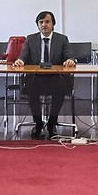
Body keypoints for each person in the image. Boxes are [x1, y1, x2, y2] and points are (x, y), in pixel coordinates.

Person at [19, 10, 76, 139]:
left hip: (55, 78)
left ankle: (52, 123)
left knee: (60, 89)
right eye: (41, 22)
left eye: (47, 22)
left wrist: (70, 60)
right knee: (31, 89)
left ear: (53, 24)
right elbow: (23, 56)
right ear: (38, 25)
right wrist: (20, 61)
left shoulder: (62, 39)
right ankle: (38, 123)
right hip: (36, 78)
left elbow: (69, 56)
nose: (44, 25)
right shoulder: (31, 39)